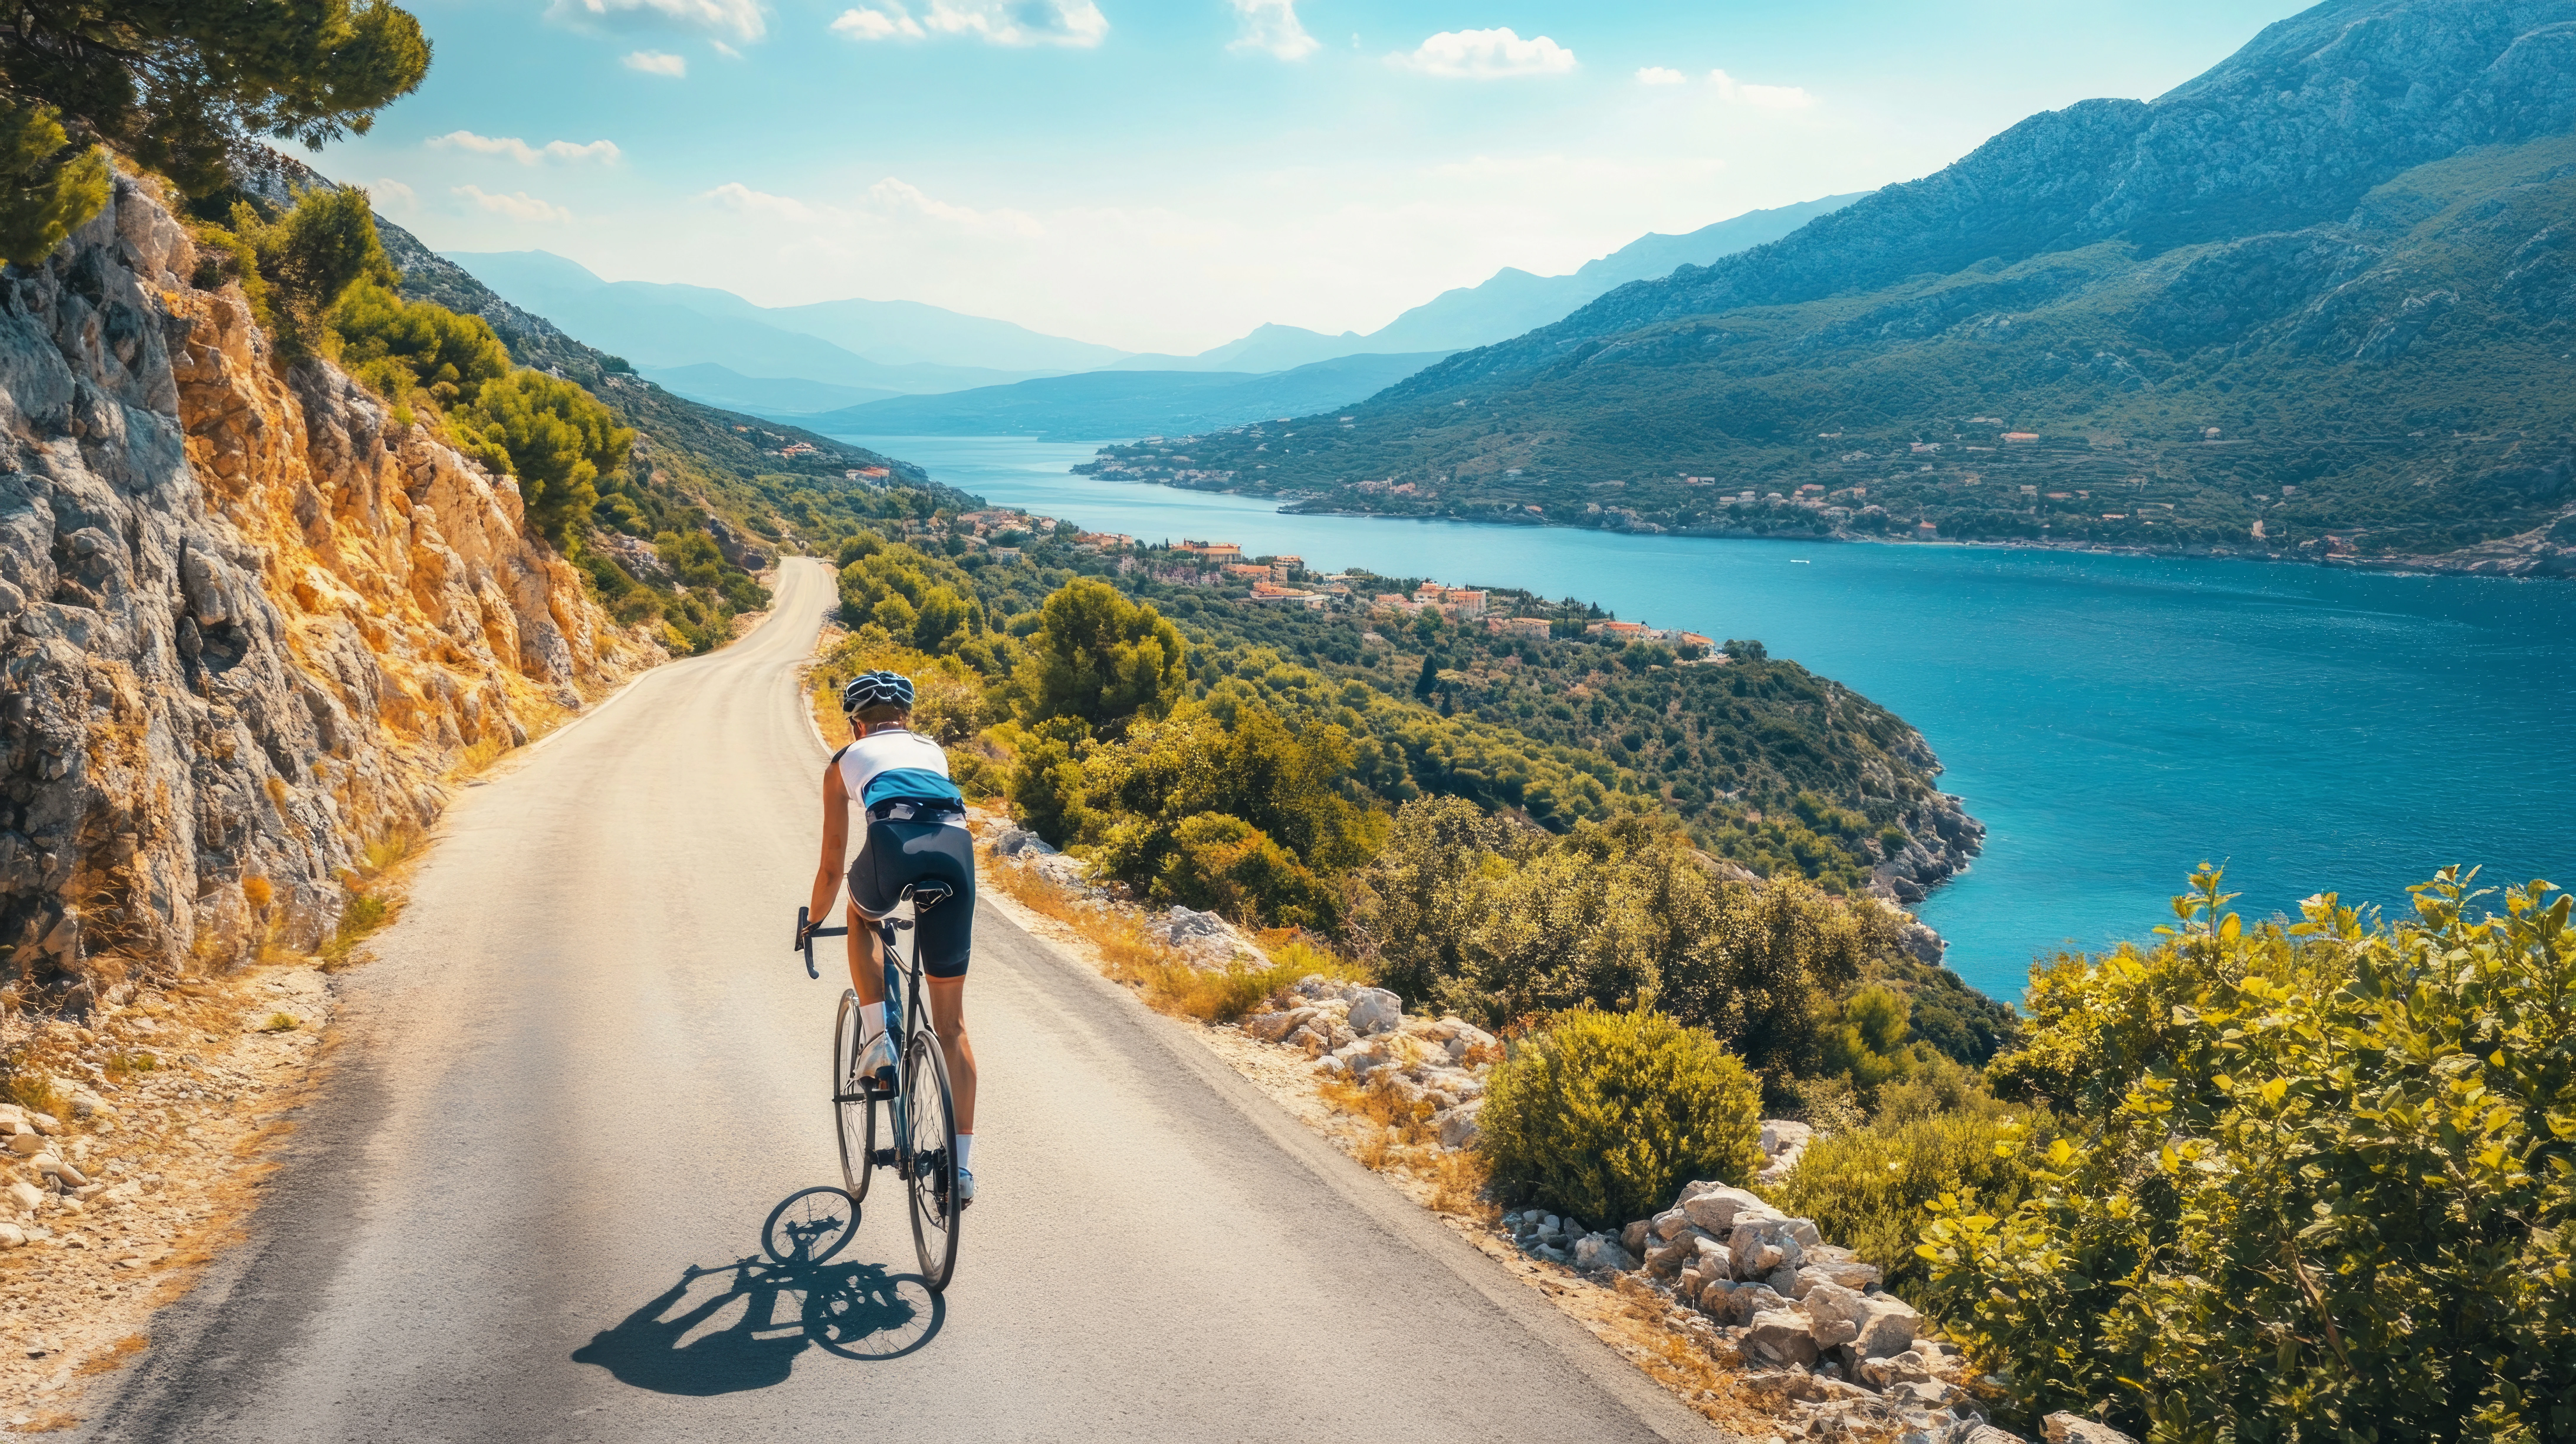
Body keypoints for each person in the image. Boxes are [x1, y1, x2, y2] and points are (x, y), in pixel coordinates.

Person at [803, 670, 980, 1204]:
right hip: (956, 854)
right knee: (952, 1026)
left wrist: (813, 921)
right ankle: (961, 1171)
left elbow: (832, 866)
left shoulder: (843, 763)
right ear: (906, 718)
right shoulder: (932, 751)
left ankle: (880, 1041)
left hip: (892, 846)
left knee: (862, 916)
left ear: (857, 725)